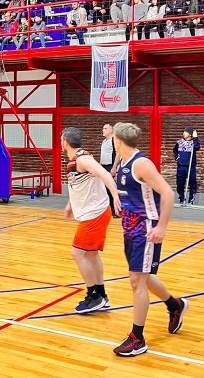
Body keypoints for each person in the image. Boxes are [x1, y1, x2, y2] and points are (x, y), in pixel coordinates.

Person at [111, 122, 187, 358]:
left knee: (137, 281)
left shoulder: (141, 164)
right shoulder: (122, 161)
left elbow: (167, 193)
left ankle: (137, 338)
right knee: (143, 276)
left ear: (118, 140)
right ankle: (175, 305)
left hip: (146, 228)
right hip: (129, 227)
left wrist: (161, 227)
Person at [62, 127, 121, 313]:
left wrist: (115, 195)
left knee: (77, 253)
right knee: (91, 254)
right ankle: (101, 296)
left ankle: (94, 295)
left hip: (94, 214)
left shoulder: (83, 159)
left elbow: (105, 175)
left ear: (64, 141)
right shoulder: (76, 160)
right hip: (93, 212)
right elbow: (78, 184)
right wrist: (70, 203)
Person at [173, 127, 200, 205]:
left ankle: (191, 199)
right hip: (181, 166)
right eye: (184, 131)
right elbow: (175, 150)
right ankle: (181, 197)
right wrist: (177, 158)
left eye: (186, 132)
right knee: (180, 183)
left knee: (192, 183)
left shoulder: (193, 142)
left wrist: (195, 137)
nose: (184, 133)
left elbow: (197, 147)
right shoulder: (179, 142)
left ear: (190, 134)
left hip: (191, 166)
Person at [99, 124, 120, 219]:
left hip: (110, 166)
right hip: (103, 167)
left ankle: (116, 211)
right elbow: (103, 155)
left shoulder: (114, 139)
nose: (103, 130)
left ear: (111, 130)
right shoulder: (104, 141)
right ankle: (109, 210)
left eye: (105, 128)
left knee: (111, 189)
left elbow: (118, 154)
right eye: (103, 128)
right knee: (104, 189)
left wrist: (114, 167)